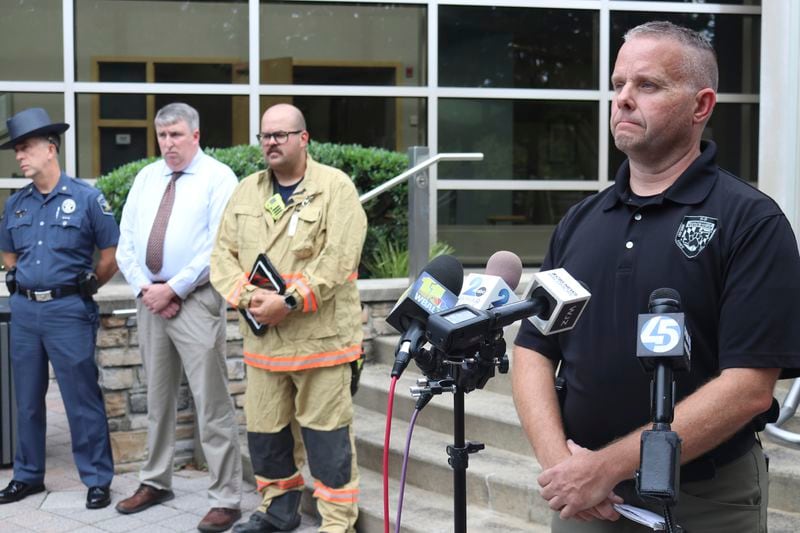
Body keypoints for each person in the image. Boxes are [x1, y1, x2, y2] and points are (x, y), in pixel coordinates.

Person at [512, 21, 800, 533]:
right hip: (586, 501)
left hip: (705, 500)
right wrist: (567, 468)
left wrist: (606, 467)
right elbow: (535, 347)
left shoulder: (750, 221)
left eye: (647, 85)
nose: (623, 99)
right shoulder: (581, 221)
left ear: (701, 106)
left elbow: (751, 386)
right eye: (618, 84)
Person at [210, 103, 366, 533]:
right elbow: (221, 256)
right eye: (265, 136)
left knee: (327, 438)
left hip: (321, 342)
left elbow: (339, 259)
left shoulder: (336, 188)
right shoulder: (246, 192)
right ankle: (278, 510)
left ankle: (336, 522)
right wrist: (246, 296)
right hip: (264, 344)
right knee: (266, 434)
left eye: (281, 134)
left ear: (304, 138)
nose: (271, 142)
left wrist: (290, 300)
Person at [114, 102, 243, 533]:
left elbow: (218, 246)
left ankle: (225, 497)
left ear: (195, 136)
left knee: (212, 402)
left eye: (176, 135)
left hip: (197, 301)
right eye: (162, 136)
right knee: (158, 398)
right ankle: (155, 482)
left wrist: (175, 288)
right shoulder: (146, 177)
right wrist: (148, 289)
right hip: (151, 302)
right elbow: (125, 243)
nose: (168, 144)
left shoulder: (218, 178)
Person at [0, 107, 118, 509]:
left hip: (69, 310)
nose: (20, 156)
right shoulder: (16, 204)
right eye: (17, 150)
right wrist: (18, 280)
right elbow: (8, 252)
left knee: (81, 398)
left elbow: (110, 253)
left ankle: (98, 479)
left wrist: (88, 287)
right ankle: (29, 476)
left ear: (51, 148)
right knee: (28, 399)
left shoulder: (86, 199)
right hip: (26, 314)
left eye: (26, 147)